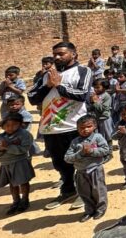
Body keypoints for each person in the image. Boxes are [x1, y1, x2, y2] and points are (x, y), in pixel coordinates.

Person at [27, 41, 92, 210]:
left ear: (73, 54)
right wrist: (48, 85)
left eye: (61, 53)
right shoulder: (47, 75)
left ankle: (85, 193)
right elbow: (32, 97)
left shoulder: (83, 71)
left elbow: (82, 94)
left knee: (81, 162)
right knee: (60, 163)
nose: (57, 57)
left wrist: (59, 86)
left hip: (75, 127)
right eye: (54, 54)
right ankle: (68, 190)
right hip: (51, 127)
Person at [64, 114, 111, 222]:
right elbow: (67, 158)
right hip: (81, 171)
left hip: (95, 169)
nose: (85, 130)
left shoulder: (97, 137)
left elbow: (105, 150)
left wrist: (91, 151)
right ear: (77, 128)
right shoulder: (75, 142)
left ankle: (100, 209)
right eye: (82, 127)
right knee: (84, 192)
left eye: (88, 126)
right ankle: (89, 210)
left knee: (98, 191)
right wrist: (80, 154)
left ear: (94, 126)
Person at [0, 112, 35, 215]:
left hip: (20, 162)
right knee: (12, 183)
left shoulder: (25, 135)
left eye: (14, 125)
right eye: (7, 125)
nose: (10, 128)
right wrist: (0, 149)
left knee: (23, 182)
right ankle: (16, 201)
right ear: (2, 126)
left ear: (20, 124)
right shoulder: (0, 137)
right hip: (6, 164)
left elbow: (24, 149)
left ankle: (25, 200)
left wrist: (8, 147)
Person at [87, 78, 113, 152]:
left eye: (98, 87)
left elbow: (103, 109)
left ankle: (109, 151)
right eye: (94, 87)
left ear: (104, 87)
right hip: (96, 119)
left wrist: (95, 102)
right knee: (98, 136)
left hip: (104, 119)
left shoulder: (106, 96)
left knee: (107, 135)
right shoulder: (94, 95)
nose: (95, 89)